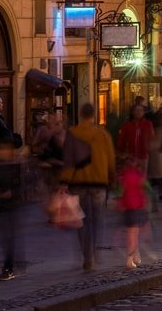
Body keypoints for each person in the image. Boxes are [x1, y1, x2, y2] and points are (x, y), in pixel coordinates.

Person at [61, 103, 116, 271]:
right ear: (93, 115)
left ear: (80, 115)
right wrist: (111, 179)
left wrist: (65, 180)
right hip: (99, 183)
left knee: (83, 221)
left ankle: (87, 257)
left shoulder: (72, 134)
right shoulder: (103, 135)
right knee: (97, 219)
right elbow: (110, 159)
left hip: (79, 183)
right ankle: (94, 250)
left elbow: (68, 160)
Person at [116, 156, 149, 269]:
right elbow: (143, 192)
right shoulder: (140, 177)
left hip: (128, 209)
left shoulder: (123, 177)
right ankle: (130, 258)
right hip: (138, 208)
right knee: (134, 235)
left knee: (131, 235)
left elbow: (120, 192)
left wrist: (119, 204)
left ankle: (135, 255)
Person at [116, 104, 154, 177]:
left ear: (143, 112)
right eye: (137, 110)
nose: (138, 112)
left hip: (143, 156)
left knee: (142, 179)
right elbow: (121, 139)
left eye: (140, 110)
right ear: (133, 112)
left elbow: (151, 138)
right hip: (131, 157)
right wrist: (121, 151)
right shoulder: (127, 125)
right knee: (132, 179)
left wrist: (148, 149)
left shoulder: (148, 124)